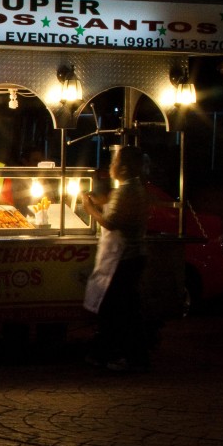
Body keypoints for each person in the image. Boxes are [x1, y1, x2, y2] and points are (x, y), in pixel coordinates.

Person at [81, 145, 151, 372]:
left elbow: (112, 222)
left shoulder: (126, 191)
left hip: (124, 257)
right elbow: (120, 212)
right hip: (133, 256)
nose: (110, 166)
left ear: (123, 168)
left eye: (114, 162)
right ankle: (123, 354)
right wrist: (102, 202)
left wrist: (89, 208)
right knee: (125, 308)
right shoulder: (133, 188)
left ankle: (122, 356)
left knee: (118, 309)